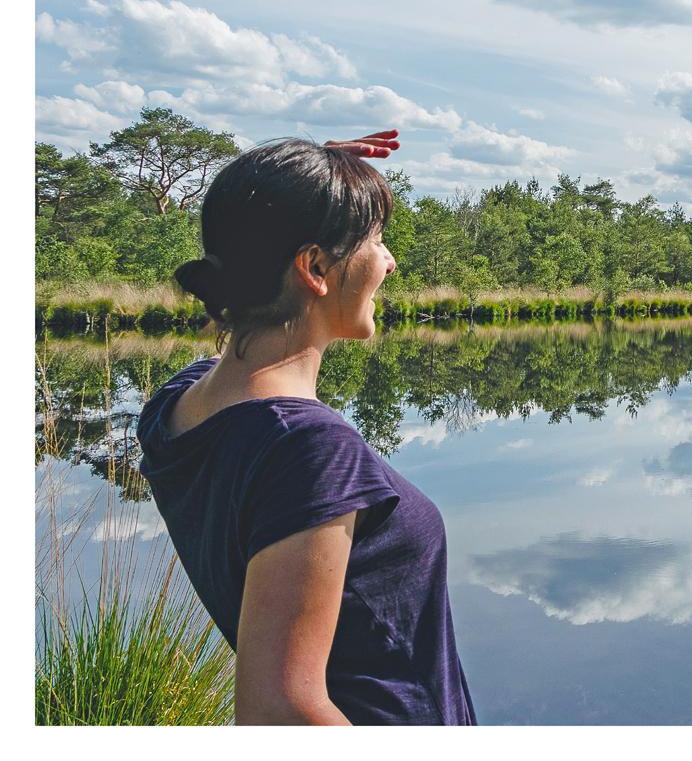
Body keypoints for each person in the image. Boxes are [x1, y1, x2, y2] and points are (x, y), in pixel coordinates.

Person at [136, 130, 476, 725]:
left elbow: (252, 233)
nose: (390, 260)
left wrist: (312, 172)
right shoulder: (310, 449)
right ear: (315, 266)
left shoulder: (177, 406)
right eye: (375, 240)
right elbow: (280, 710)